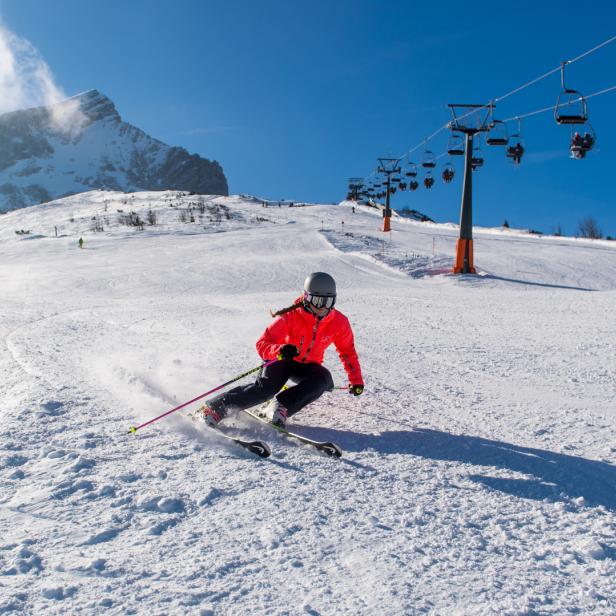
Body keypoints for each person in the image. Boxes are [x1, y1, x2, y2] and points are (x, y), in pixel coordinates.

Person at [200, 272, 364, 428]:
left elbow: (347, 351)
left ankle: (281, 406)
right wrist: (280, 349)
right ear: (307, 297)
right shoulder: (291, 315)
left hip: (307, 366)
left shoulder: (339, 322)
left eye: (328, 302)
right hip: (283, 360)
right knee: (264, 390)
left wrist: (356, 380)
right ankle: (215, 408)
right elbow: (262, 343)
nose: (322, 307)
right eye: (318, 301)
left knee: (324, 380)